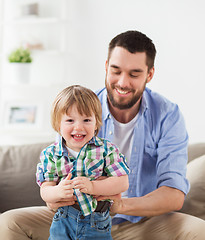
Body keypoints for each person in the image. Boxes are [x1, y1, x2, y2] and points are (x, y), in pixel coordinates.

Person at [1, 30, 205, 240]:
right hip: (74, 218)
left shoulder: (167, 115)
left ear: (149, 74)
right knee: (9, 223)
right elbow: (52, 184)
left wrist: (121, 205)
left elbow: (174, 195)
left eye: (134, 74)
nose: (123, 82)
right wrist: (54, 196)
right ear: (106, 66)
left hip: (141, 221)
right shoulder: (79, 108)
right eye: (116, 71)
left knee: (200, 231)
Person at [36, 85, 129, 239]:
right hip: (63, 220)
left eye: (86, 120)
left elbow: (122, 182)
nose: (78, 127)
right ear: (58, 124)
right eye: (70, 120)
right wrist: (57, 192)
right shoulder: (51, 154)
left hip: (96, 222)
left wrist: (93, 186)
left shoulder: (106, 150)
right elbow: (45, 189)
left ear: (97, 123)